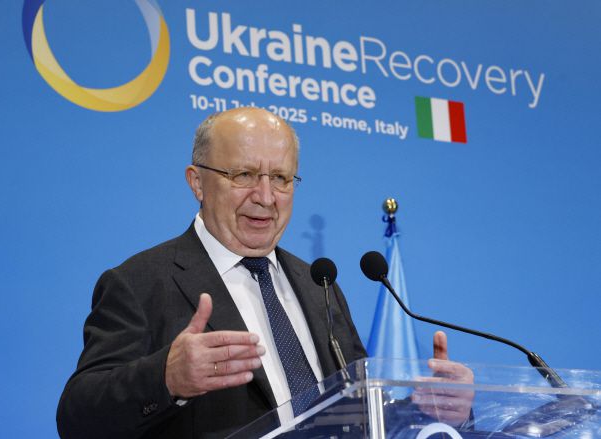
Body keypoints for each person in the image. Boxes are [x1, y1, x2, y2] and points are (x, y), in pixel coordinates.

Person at [56, 107, 473, 439]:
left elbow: (356, 413)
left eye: (281, 178)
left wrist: (430, 408)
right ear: (197, 182)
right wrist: (166, 378)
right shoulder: (141, 282)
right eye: (244, 175)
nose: (266, 197)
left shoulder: (319, 284)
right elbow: (78, 418)